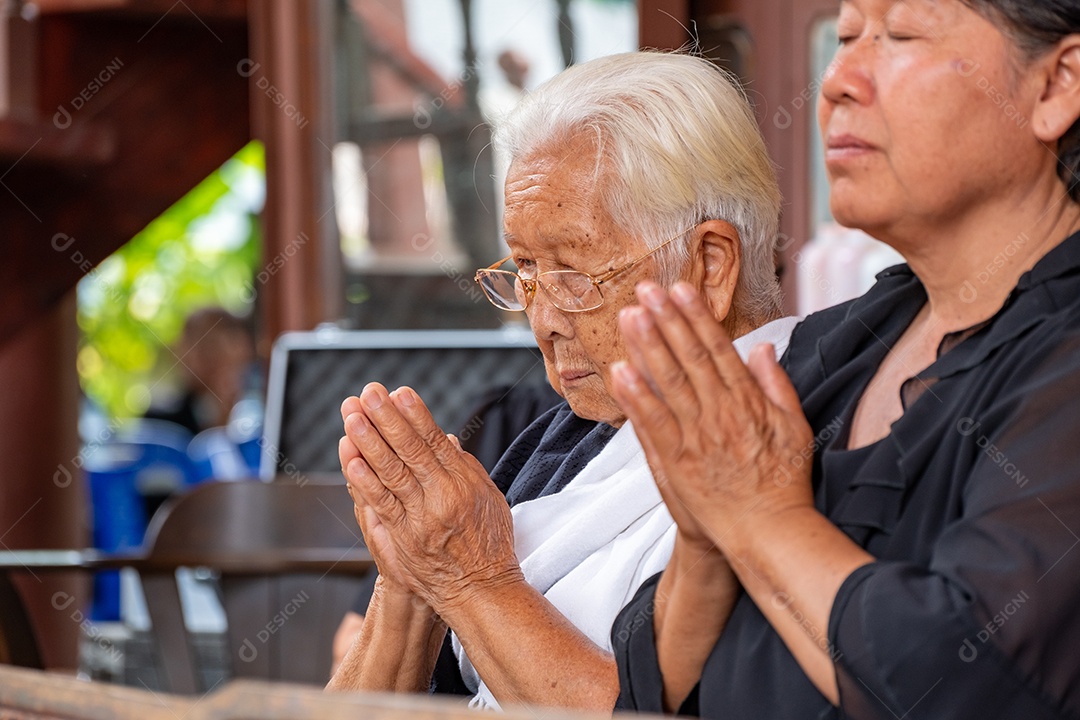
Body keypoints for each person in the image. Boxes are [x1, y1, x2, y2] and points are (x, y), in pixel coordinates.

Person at [610, 1, 1080, 718]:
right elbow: (647, 692)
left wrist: (761, 517)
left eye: (898, 36)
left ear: (1056, 85)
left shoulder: (1062, 359)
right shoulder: (838, 345)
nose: (835, 82)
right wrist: (708, 534)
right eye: (847, 36)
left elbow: (969, 681)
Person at [325, 51, 799, 709]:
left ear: (710, 266)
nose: (543, 320)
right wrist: (410, 577)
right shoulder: (564, 436)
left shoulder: (803, 441)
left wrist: (469, 579)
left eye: (575, 275)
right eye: (524, 272)